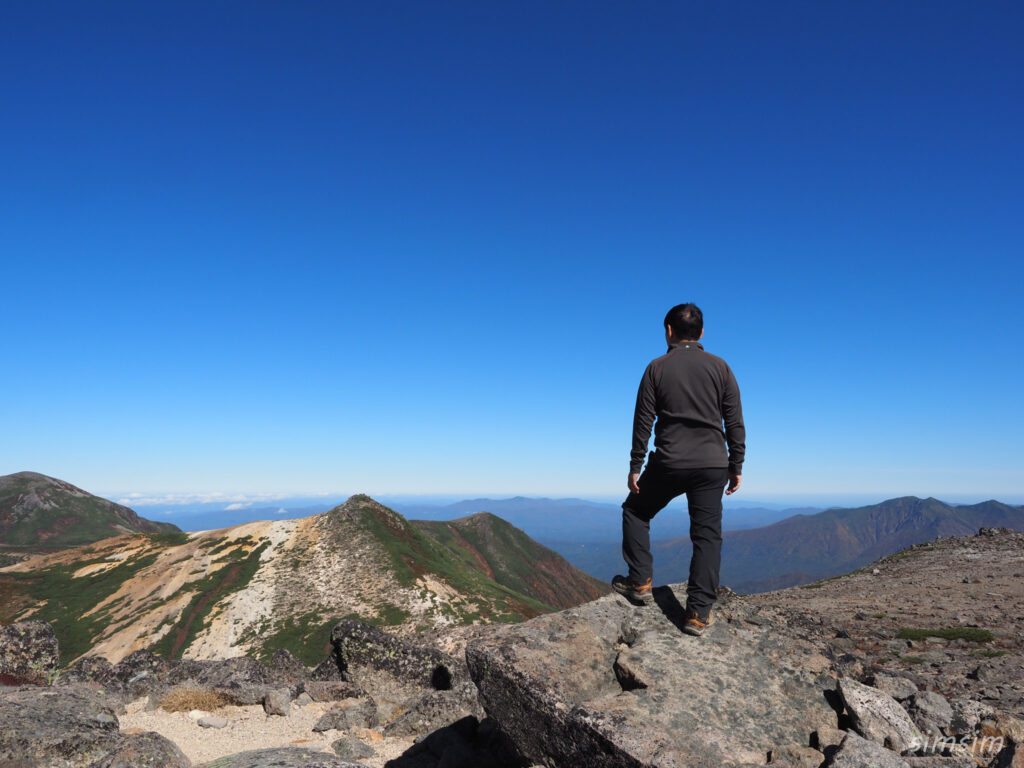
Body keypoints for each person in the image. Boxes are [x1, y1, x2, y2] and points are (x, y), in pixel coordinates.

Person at [612, 302, 745, 637]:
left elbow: (643, 421)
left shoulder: (657, 367)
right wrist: (736, 464)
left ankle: (640, 581)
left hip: (669, 461)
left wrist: (635, 466)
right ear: (701, 333)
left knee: (635, 511)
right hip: (712, 464)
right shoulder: (721, 367)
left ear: (669, 331)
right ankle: (698, 614)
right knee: (707, 536)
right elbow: (734, 422)